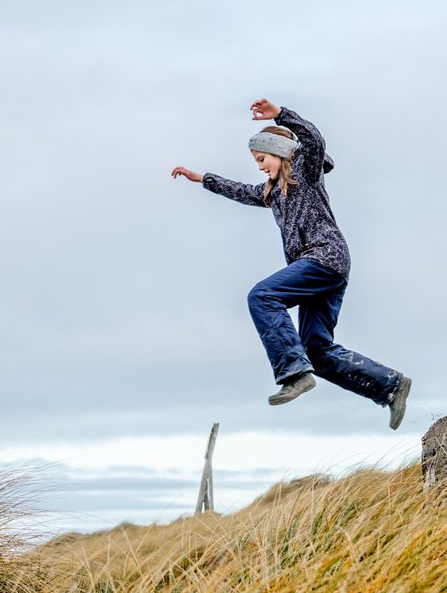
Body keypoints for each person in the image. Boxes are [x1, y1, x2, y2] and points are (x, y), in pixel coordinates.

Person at [171, 97, 413, 430]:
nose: (259, 166)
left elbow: (314, 140)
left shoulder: (306, 172)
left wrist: (282, 115)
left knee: (262, 296)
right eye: (256, 161)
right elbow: (240, 191)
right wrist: (202, 179)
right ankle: (390, 385)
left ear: (280, 152)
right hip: (324, 269)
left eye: (262, 158)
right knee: (317, 349)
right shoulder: (271, 193)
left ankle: (294, 374)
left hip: (324, 257)